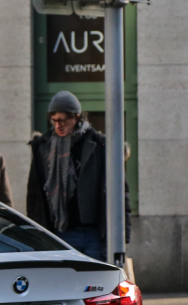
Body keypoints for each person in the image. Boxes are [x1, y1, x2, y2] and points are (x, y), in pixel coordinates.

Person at [26, 91, 129, 262]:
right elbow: (34, 195)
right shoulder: (43, 147)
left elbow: (120, 190)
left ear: (77, 117)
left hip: (94, 234)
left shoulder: (99, 144)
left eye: (63, 120)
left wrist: (123, 234)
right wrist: (35, 233)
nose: (58, 125)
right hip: (59, 232)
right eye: (54, 120)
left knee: (98, 285)